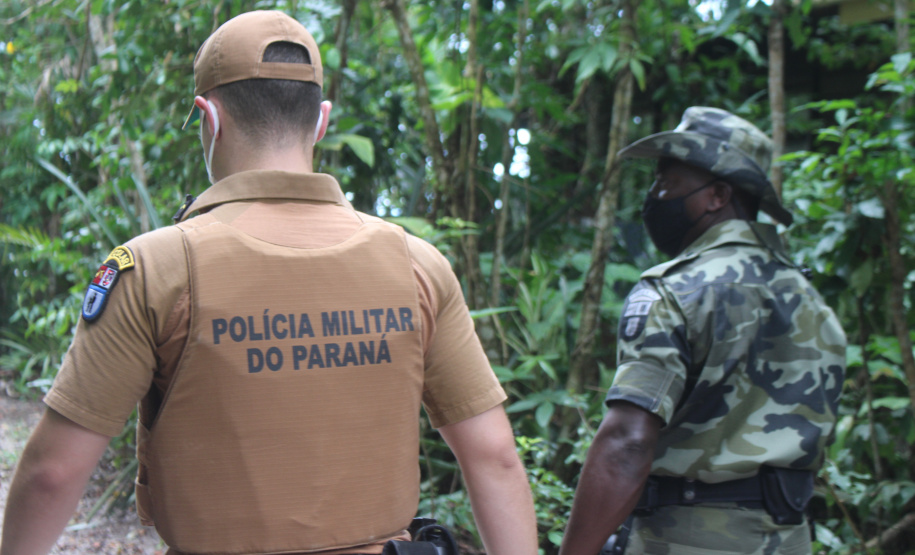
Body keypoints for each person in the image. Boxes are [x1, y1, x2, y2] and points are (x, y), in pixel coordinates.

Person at [1, 11, 537, 555]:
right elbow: (494, 457)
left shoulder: (156, 268)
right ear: (321, 121)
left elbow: (53, 474)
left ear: (209, 118)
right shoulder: (416, 264)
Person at [559, 107, 846, 555]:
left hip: (684, 539)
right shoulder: (810, 298)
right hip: (788, 539)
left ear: (717, 196)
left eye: (666, 183)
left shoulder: (675, 290)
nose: (654, 197)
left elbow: (628, 442)